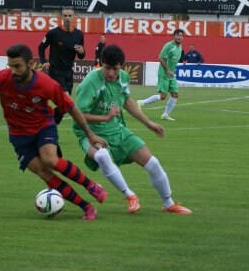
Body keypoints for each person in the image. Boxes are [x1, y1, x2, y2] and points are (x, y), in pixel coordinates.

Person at [0, 44, 109, 220]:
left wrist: (90, 134)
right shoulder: (2, 78)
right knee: (43, 172)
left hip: (43, 126)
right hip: (18, 136)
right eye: (10, 66)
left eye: (17, 66)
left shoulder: (47, 84)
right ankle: (86, 207)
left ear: (31, 64)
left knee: (50, 160)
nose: (13, 71)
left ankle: (91, 186)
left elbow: (71, 108)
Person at [74, 45, 192, 215]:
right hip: (89, 132)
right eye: (107, 68)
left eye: (115, 68)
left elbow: (127, 101)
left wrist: (149, 123)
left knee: (153, 163)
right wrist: (104, 119)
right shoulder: (91, 82)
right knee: (101, 155)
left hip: (116, 129)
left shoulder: (123, 78)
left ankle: (169, 204)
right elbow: (78, 114)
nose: (111, 73)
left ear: (121, 66)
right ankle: (130, 195)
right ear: (101, 64)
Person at [38, 6, 85, 125]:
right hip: (55, 71)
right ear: (62, 17)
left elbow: (81, 56)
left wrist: (81, 52)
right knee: (67, 100)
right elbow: (41, 47)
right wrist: (44, 62)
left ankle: (48, 122)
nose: (68, 18)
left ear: (74, 17)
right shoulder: (53, 33)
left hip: (69, 72)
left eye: (70, 16)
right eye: (65, 16)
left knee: (64, 106)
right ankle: (47, 122)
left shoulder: (79, 34)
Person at [137, 29, 185, 121]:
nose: (180, 37)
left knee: (175, 95)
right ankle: (141, 102)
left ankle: (165, 115)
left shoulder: (180, 47)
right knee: (163, 97)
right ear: (174, 36)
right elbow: (160, 58)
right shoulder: (169, 46)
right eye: (178, 35)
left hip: (171, 75)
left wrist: (172, 71)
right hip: (164, 73)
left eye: (181, 36)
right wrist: (167, 70)